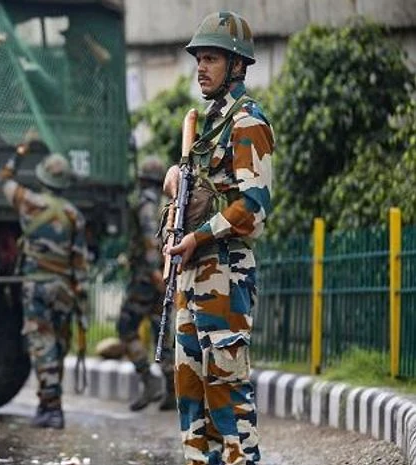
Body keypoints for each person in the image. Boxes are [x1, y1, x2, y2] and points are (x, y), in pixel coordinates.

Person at [163, 11, 274, 465]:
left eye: (211, 58)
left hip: (225, 274)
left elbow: (254, 207)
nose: (201, 68)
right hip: (192, 275)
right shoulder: (209, 124)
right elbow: (204, 190)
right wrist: (176, 178)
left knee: (227, 397)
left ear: (237, 65)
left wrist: (199, 236)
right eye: (199, 59)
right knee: (191, 395)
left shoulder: (247, 121)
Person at [0, 145, 89, 430]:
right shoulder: (74, 215)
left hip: (36, 285)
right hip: (63, 287)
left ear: (42, 177)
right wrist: (81, 299)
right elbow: (80, 262)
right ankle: (47, 404)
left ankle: (52, 408)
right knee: (58, 345)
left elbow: (4, 179)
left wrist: (19, 153)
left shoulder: (29, 202)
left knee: (42, 345)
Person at [117, 156, 175, 412]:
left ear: (142, 179)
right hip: (165, 275)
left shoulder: (145, 204)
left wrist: (153, 270)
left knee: (126, 326)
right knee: (160, 330)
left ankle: (149, 380)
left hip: (147, 278)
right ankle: (172, 389)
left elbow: (150, 238)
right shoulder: (168, 204)